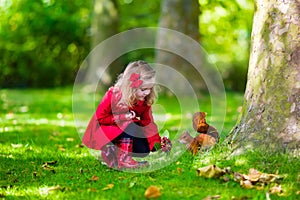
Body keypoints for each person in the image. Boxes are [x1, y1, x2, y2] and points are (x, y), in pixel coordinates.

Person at [82, 60, 171, 169]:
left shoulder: (143, 100)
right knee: (129, 123)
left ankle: (112, 153)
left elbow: (148, 123)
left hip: (125, 131)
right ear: (131, 86)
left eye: (150, 89)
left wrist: (157, 144)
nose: (147, 93)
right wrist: (122, 117)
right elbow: (100, 118)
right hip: (106, 129)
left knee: (144, 150)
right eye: (143, 89)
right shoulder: (113, 95)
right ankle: (124, 160)